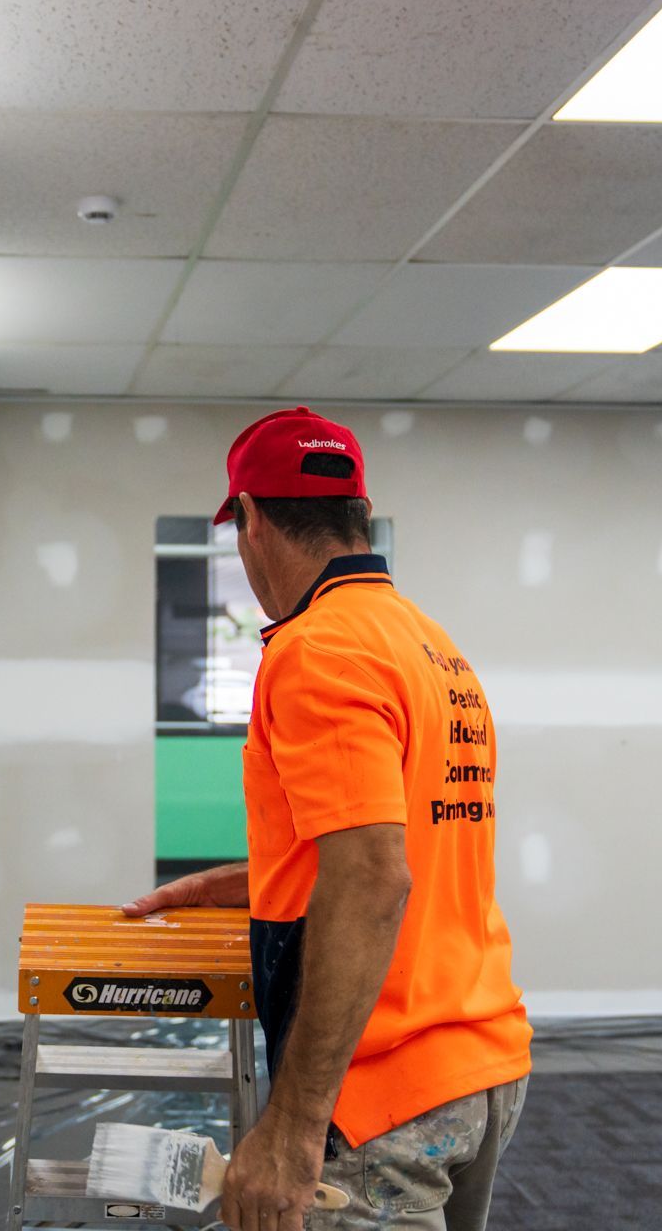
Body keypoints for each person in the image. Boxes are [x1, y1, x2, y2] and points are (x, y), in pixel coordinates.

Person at [124, 407, 532, 1231]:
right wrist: (256, 880)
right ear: (358, 513)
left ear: (249, 518)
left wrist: (293, 1127)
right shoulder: (428, 643)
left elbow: (375, 877)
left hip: (385, 1098)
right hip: (482, 1065)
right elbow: (413, 842)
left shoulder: (316, 648)